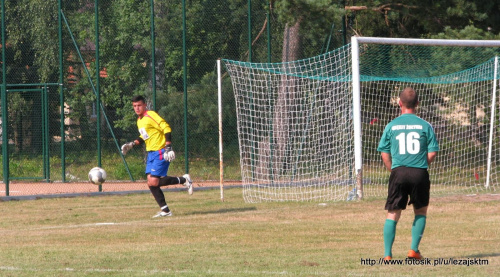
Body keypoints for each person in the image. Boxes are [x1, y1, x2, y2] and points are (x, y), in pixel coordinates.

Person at [376, 87, 439, 260]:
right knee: (420, 211)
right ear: (417, 104)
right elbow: (433, 152)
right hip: (419, 172)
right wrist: (419, 165)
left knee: (393, 213)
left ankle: (388, 255)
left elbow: (384, 153)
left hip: (399, 172)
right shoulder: (425, 125)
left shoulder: (391, 125)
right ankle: (413, 250)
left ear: (399, 103)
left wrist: (393, 169)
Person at [121, 95, 193, 218]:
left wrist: (168, 146)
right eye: (134, 106)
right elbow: (145, 136)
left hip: (161, 151)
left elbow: (166, 127)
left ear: (145, 105)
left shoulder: (151, 115)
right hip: (151, 153)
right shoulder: (139, 120)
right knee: (151, 183)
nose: (137, 108)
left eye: (139, 105)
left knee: (154, 181)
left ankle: (184, 180)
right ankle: (165, 211)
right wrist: (133, 144)